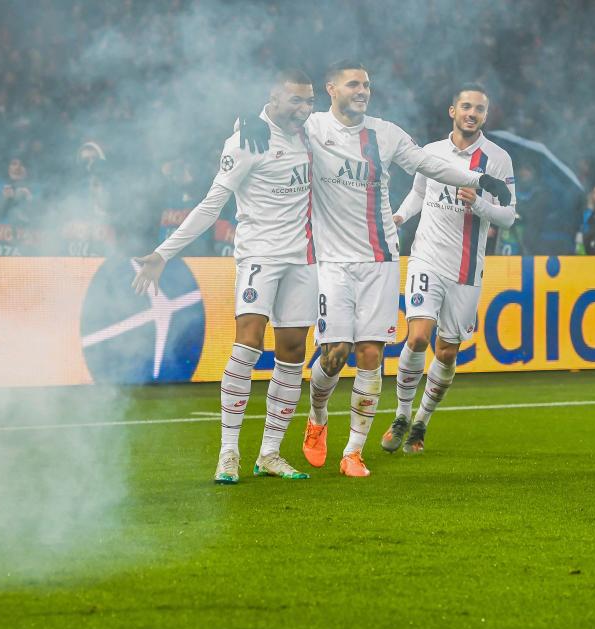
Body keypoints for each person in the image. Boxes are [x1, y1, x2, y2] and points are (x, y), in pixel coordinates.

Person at [240, 61, 511, 477]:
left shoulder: (386, 134)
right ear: (332, 88)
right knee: (335, 354)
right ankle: (317, 417)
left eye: (366, 84)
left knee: (371, 354)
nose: (362, 90)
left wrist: (475, 177)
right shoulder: (312, 127)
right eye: (353, 84)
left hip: (381, 259)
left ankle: (353, 451)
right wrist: (252, 117)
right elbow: (279, 115)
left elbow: (429, 165)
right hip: (331, 261)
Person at [132, 69, 318, 484]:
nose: (304, 109)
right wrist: (164, 253)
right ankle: (228, 452)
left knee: (292, 352)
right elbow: (212, 203)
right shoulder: (246, 141)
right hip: (259, 257)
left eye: (309, 102)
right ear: (274, 96)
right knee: (248, 344)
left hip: (304, 259)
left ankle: (269, 453)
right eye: (295, 101)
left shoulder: (310, 133)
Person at [383, 83, 517, 454]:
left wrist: (480, 206)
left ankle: (421, 423)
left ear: (485, 116)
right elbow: (419, 193)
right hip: (426, 256)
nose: (472, 113)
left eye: (479, 108)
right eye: (466, 106)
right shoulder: (431, 153)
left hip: (467, 270)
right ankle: (401, 415)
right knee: (417, 337)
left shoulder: (498, 160)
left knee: (445, 352)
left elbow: (508, 215)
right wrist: (399, 215)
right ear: (452, 111)